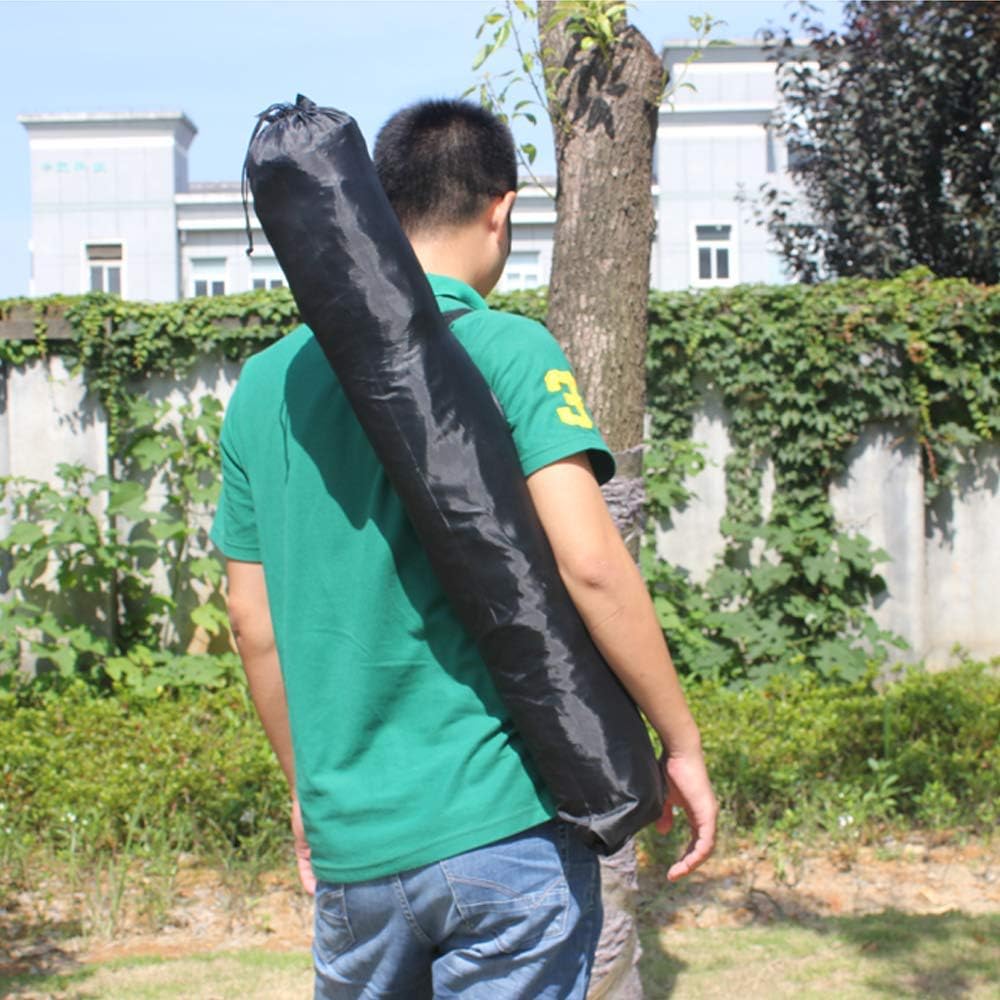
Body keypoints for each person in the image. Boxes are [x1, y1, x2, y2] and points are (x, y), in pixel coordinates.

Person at [211, 98, 716, 999]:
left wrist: (306, 792)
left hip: (354, 848)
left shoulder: (263, 389)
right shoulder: (508, 347)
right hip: (503, 824)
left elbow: (253, 625)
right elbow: (592, 564)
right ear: (502, 209)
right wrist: (679, 742)